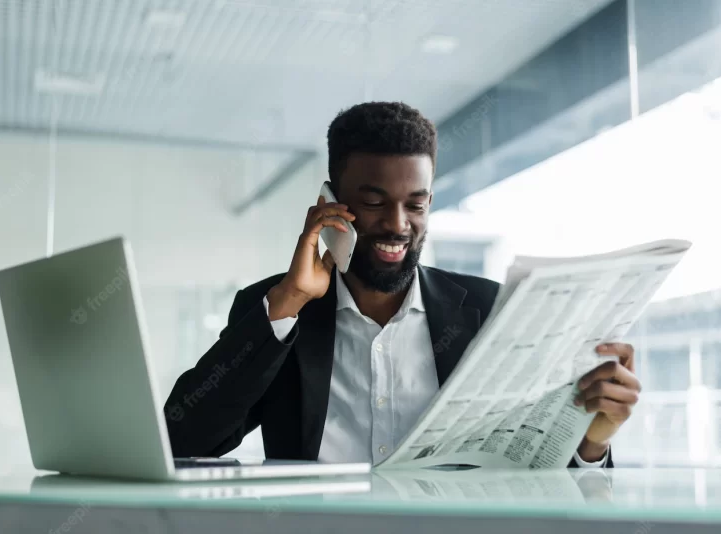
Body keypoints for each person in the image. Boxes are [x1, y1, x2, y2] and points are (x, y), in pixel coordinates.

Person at [164, 102, 641, 467]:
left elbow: (529, 468)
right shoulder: (275, 309)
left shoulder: (488, 309)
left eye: (415, 204)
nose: (398, 224)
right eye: (374, 202)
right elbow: (184, 439)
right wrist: (288, 303)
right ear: (330, 203)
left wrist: (592, 440)